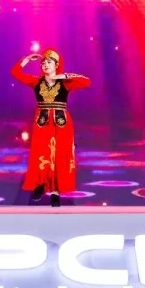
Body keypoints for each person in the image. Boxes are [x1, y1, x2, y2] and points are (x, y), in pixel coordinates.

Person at [11, 49, 91, 207]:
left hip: (61, 122)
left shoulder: (65, 83)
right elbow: (15, 73)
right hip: (42, 122)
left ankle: (55, 192)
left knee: (59, 155)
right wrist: (27, 59)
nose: (45, 65)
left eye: (49, 62)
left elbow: (87, 81)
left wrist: (64, 76)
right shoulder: (36, 82)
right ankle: (40, 185)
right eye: (43, 63)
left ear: (56, 65)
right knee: (40, 154)